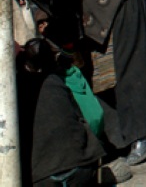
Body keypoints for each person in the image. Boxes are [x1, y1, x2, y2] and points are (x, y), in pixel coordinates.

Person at [17, 38, 105, 186]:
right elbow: (94, 118)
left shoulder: (12, 98)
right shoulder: (59, 80)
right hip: (81, 165)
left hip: (43, 178)